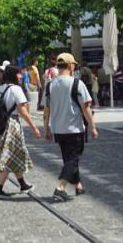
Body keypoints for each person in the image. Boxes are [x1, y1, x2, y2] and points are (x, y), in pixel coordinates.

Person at [43, 52, 99, 200]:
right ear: (70, 65)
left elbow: (46, 109)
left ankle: (78, 186)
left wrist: (46, 128)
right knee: (73, 159)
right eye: (74, 64)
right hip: (74, 128)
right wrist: (93, 127)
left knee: (69, 158)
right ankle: (60, 187)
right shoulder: (76, 83)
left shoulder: (50, 85)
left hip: (58, 129)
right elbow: (86, 107)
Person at [0, 65, 41, 196]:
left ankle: (23, 184)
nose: (21, 76)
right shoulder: (16, 89)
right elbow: (23, 111)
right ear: (13, 75)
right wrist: (34, 127)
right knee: (8, 156)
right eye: (18, 74)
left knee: (14, 154)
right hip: (12, 125)